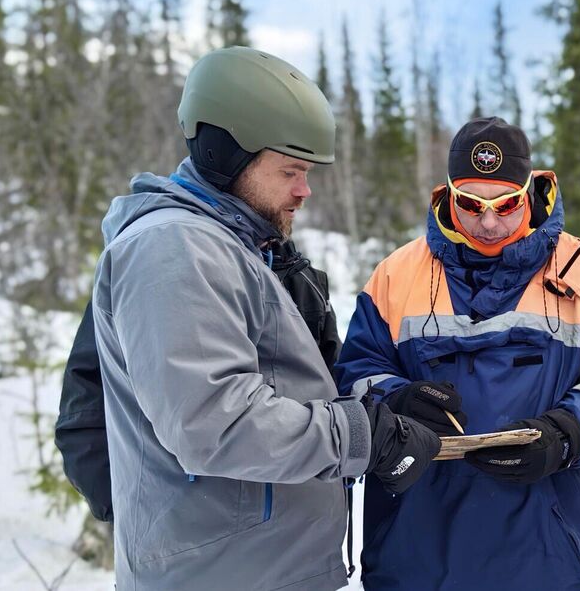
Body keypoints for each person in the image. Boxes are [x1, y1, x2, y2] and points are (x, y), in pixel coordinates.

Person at [87, 46, 440, 590]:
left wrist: (383, 407)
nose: (305, 189)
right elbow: (213, 420)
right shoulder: (175, 249)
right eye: (291, 171)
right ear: (222, 155)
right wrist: (359, 435)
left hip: (261, 568)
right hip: (221, 575)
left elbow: (285, 384)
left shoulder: (241, 248)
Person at [336, 116, 580, 590]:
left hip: (550, 550)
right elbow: (357, 372)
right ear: (446, 195)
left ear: (530, 193)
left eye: (506, 205)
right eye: (471, 204)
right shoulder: (395, 275)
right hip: (416, 548)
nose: (488, 222)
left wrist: (565, 435)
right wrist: (397, 400)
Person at [55, 235, 341, 525]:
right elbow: (86, 405)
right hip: (189, 539)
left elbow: (331, 386)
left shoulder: (294, 273)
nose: (302, 193)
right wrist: (143, 514)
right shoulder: (162, 262)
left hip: (302, 537)